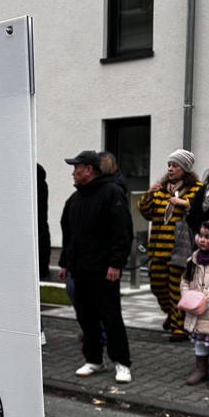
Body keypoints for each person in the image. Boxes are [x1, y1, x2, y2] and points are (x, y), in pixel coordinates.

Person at [57, 149, 133, 384]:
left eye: (76, 168)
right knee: (86, 318)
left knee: (111, 318)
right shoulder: (74, 199)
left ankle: (122, 363)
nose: (73, 173)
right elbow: (68, 234)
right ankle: (94, 360)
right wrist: (64, 263)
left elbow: (122, 232)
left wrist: (115, 263)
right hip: (80, 271)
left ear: (88, 170)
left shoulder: (112, 193)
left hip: (105, 272)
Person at [138, 149, 202, 340]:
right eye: (169, 165)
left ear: (185, 169)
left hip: (180, 250)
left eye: (175, 165)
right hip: (158, 248)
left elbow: (199, 211)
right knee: (157, 285)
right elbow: (146, 212)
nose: (171, 169)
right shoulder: (161, 189)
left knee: (177, 288)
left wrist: (183, 202)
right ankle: (171, 314)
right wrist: (149, 194)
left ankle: (179, 328)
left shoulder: (196, 188)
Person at [179, 221, 209, 390]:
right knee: (199, 343)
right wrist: (186, 295)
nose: (202, 240)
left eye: (208, 237)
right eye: (200, 236)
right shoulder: (193, 259)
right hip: (196, 311)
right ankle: (201, 369)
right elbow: (185, 280)